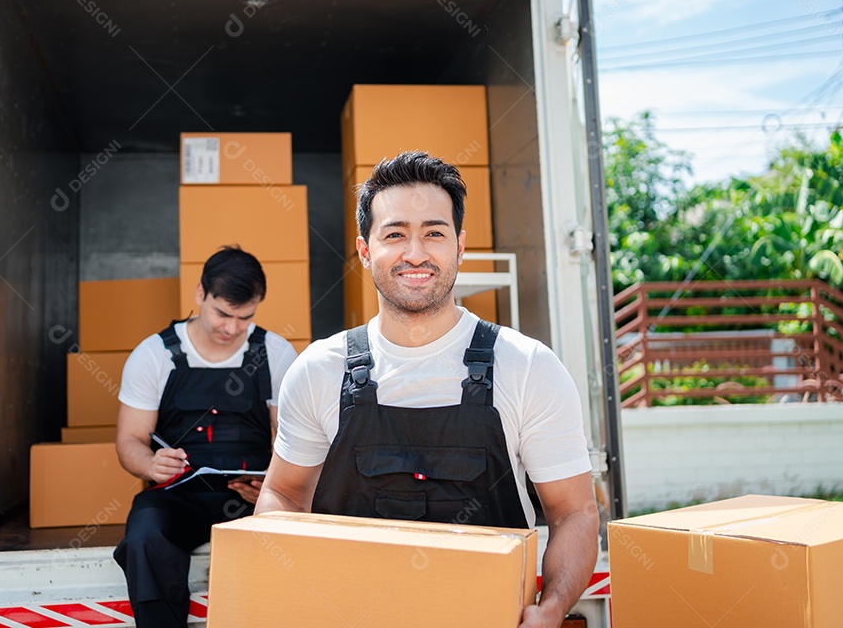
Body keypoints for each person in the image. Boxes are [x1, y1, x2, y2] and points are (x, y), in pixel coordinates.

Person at [256, 152, 598, 628]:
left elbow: (574, 513)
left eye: (434, 233)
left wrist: (553, 608)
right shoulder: (318, 371)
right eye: (394, 234)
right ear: (363, 249)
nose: (415, 252)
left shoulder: (526, 367)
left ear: (459, 247)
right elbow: (283, 496)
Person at [113, 246, 298, 628]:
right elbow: (129, 439)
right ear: (201, 294)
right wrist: (149, 463)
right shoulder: (154, 355)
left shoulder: (276, 353)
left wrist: (274, 488)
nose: (232, 328)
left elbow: (295, 438)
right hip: (179, 497)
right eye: (223, 314)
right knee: (144, 536)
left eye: (245, 317)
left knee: (290, 530)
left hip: (251, 497)